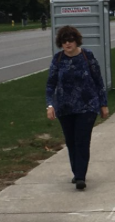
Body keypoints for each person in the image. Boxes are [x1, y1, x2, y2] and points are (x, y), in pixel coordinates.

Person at [45, 25, 109, 190]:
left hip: (87, 106)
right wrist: (50, 105)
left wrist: (103, 104)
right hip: (65, 107)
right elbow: (50, 84)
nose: (68, 44)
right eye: (64, 41)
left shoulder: (87, 56)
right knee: (71, 141)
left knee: (82, 140)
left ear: (76, 41)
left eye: (71, 40)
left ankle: (80, 176)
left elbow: (98, 81)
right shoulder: (58, 59)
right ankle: (76, 171)